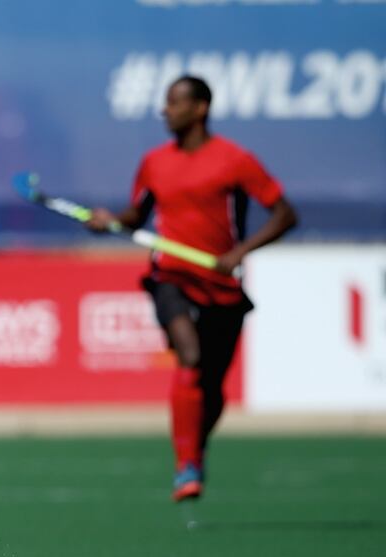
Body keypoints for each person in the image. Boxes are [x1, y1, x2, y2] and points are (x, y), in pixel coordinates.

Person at [88, 76, 297, 503]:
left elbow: (284, 214)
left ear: (200, 107)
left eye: (175, 103)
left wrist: (240, 252)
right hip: (171, 277)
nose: (166, 110)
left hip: (221, 283)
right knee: (190, 355)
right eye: (166, 103)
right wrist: (109, 221)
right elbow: (136, 215)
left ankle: (194, 449)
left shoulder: (236, 160)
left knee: (213, 385)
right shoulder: (154, 162)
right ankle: (186, 464)